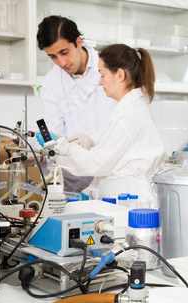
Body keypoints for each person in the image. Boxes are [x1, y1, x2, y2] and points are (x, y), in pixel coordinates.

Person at [51, 44, 166, 208]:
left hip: (131, 205)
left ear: (119, 75)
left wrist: (61, 147)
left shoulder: (129, 114)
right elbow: (118, 154)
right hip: (123, 202)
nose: (100, 82)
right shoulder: (129, 108)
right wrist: (90, 141)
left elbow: (96, 164)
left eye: (102, 75)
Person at [36, 15, 116, 192]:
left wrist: (92, 140)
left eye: (64, 52)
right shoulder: (51, 82)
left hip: (111, 173)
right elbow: (53, 133)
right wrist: (43, 149)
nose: (61, 62)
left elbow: (123, 121)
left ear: (78, 42)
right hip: (74, 178)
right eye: (53, 57)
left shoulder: (110, 67)